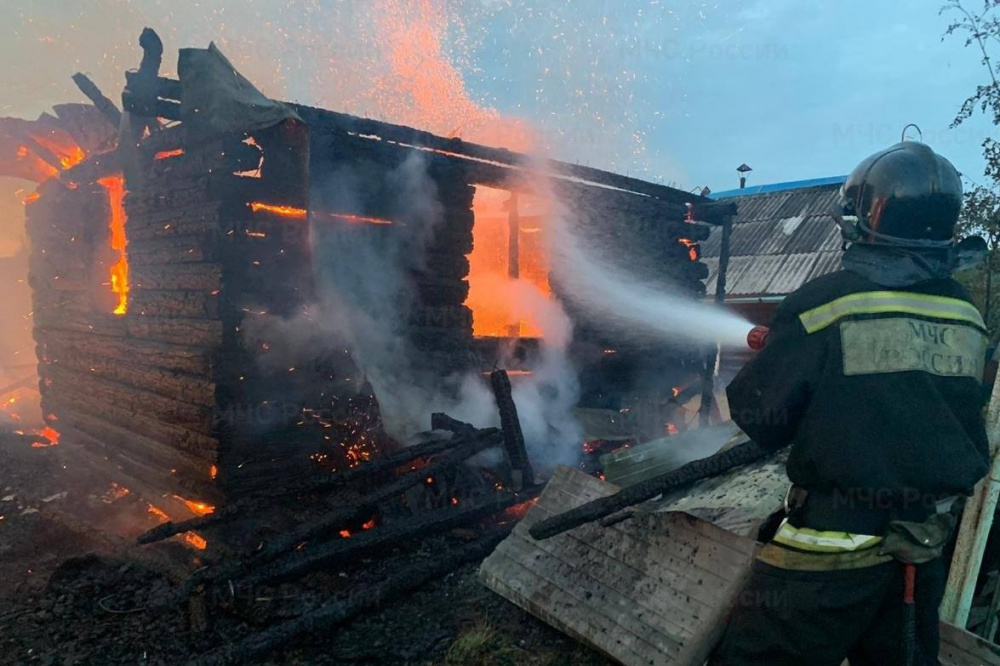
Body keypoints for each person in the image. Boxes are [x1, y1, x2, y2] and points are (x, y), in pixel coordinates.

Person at [710, 141, 991, 665]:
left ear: (863, 219)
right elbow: (927, 401)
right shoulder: (965, 313)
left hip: (830, 550)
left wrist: (786, 354)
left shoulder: (825, 302)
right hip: (920, 549)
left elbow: (759, 417)